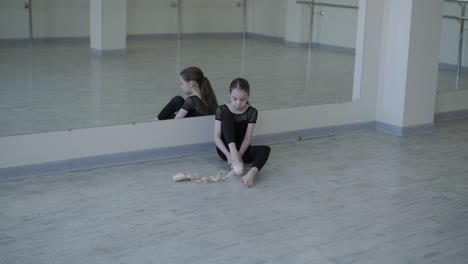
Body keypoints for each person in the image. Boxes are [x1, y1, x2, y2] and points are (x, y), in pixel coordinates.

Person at [214, 78, 271, 187]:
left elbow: (247, 139)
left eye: (243, 99)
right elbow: (216, 137)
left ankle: (251, 174)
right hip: (226, 150)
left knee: (265, 149)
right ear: (229, 95)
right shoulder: (221, 110)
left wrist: (238, 157)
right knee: (228, 115)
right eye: (234, 99)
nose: (238, 103)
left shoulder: (252, 112)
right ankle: (233, 151)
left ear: (248, 97)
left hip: (242, 150)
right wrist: (230, 156)